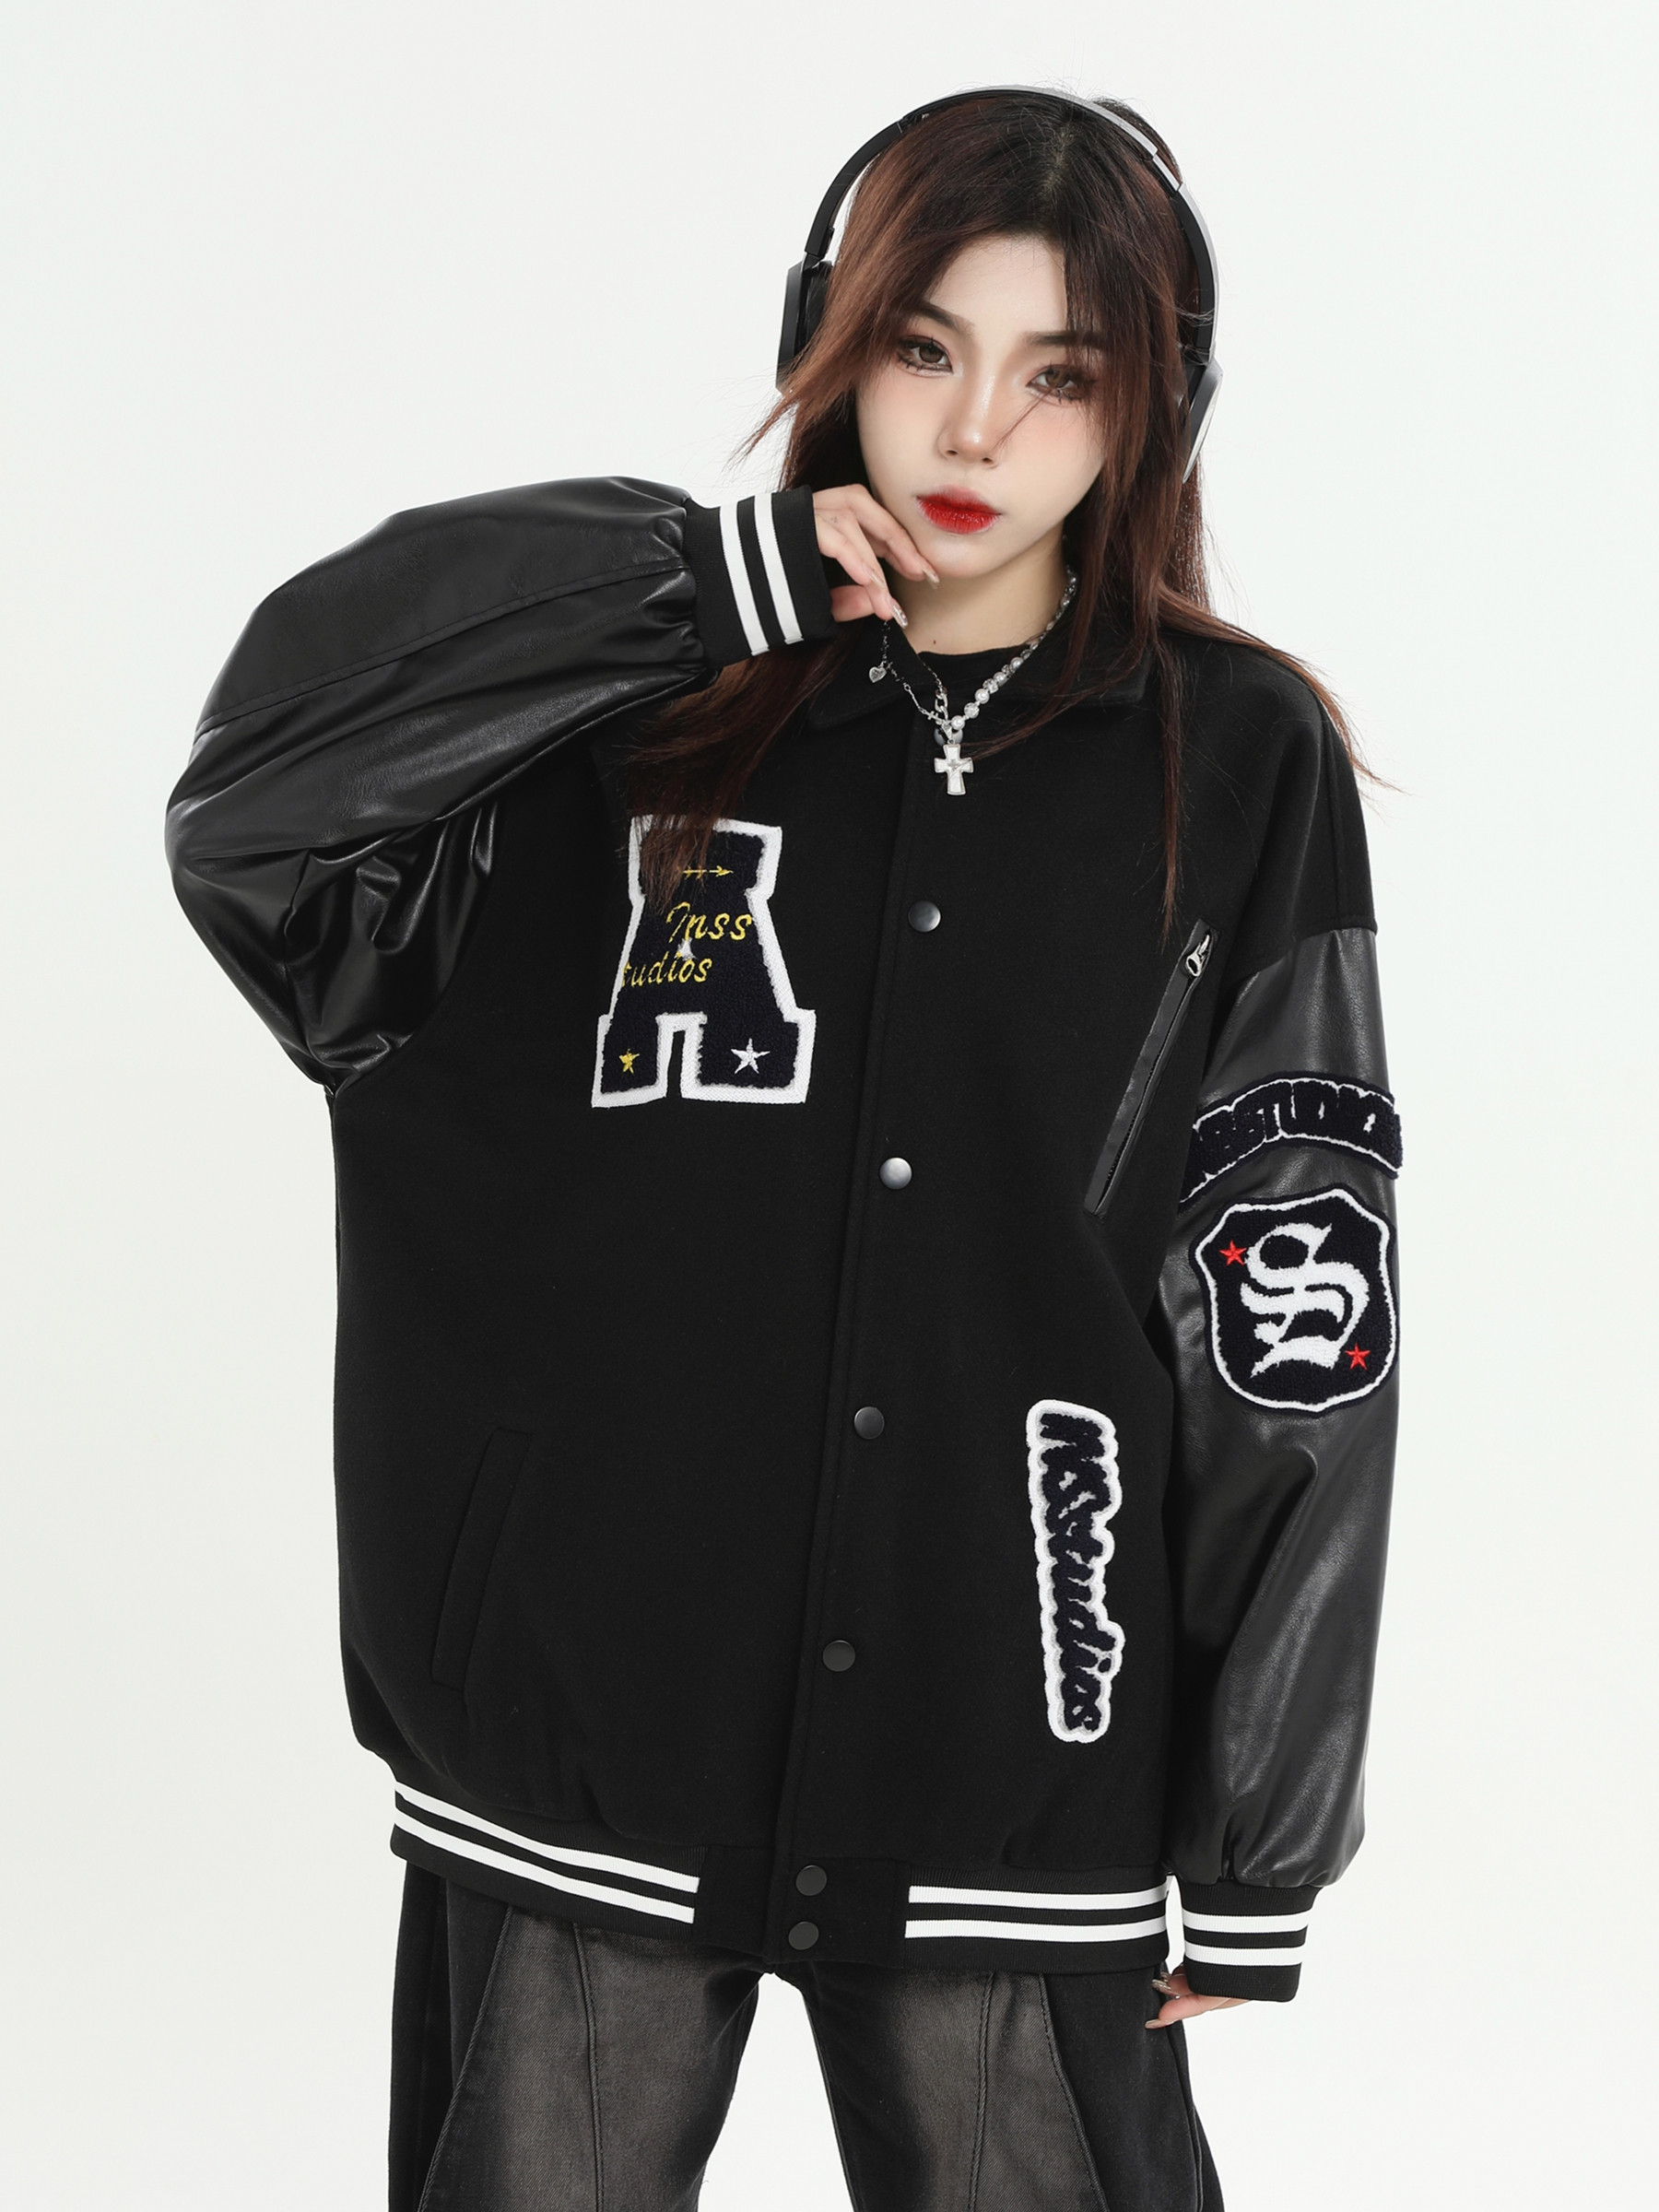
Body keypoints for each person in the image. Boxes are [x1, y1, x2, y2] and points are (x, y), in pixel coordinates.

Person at [167, 87, 1400, 2212]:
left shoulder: (1237, 763)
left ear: (1155, 411)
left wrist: (1260, 1829)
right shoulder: (616, 708)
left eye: (1061, 375)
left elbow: (1297, 1305)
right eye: (924, 346)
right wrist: (687, 586)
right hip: (587, 1718)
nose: (975, 431)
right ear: (826, 339)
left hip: (1012, 1734)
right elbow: (256, 803)